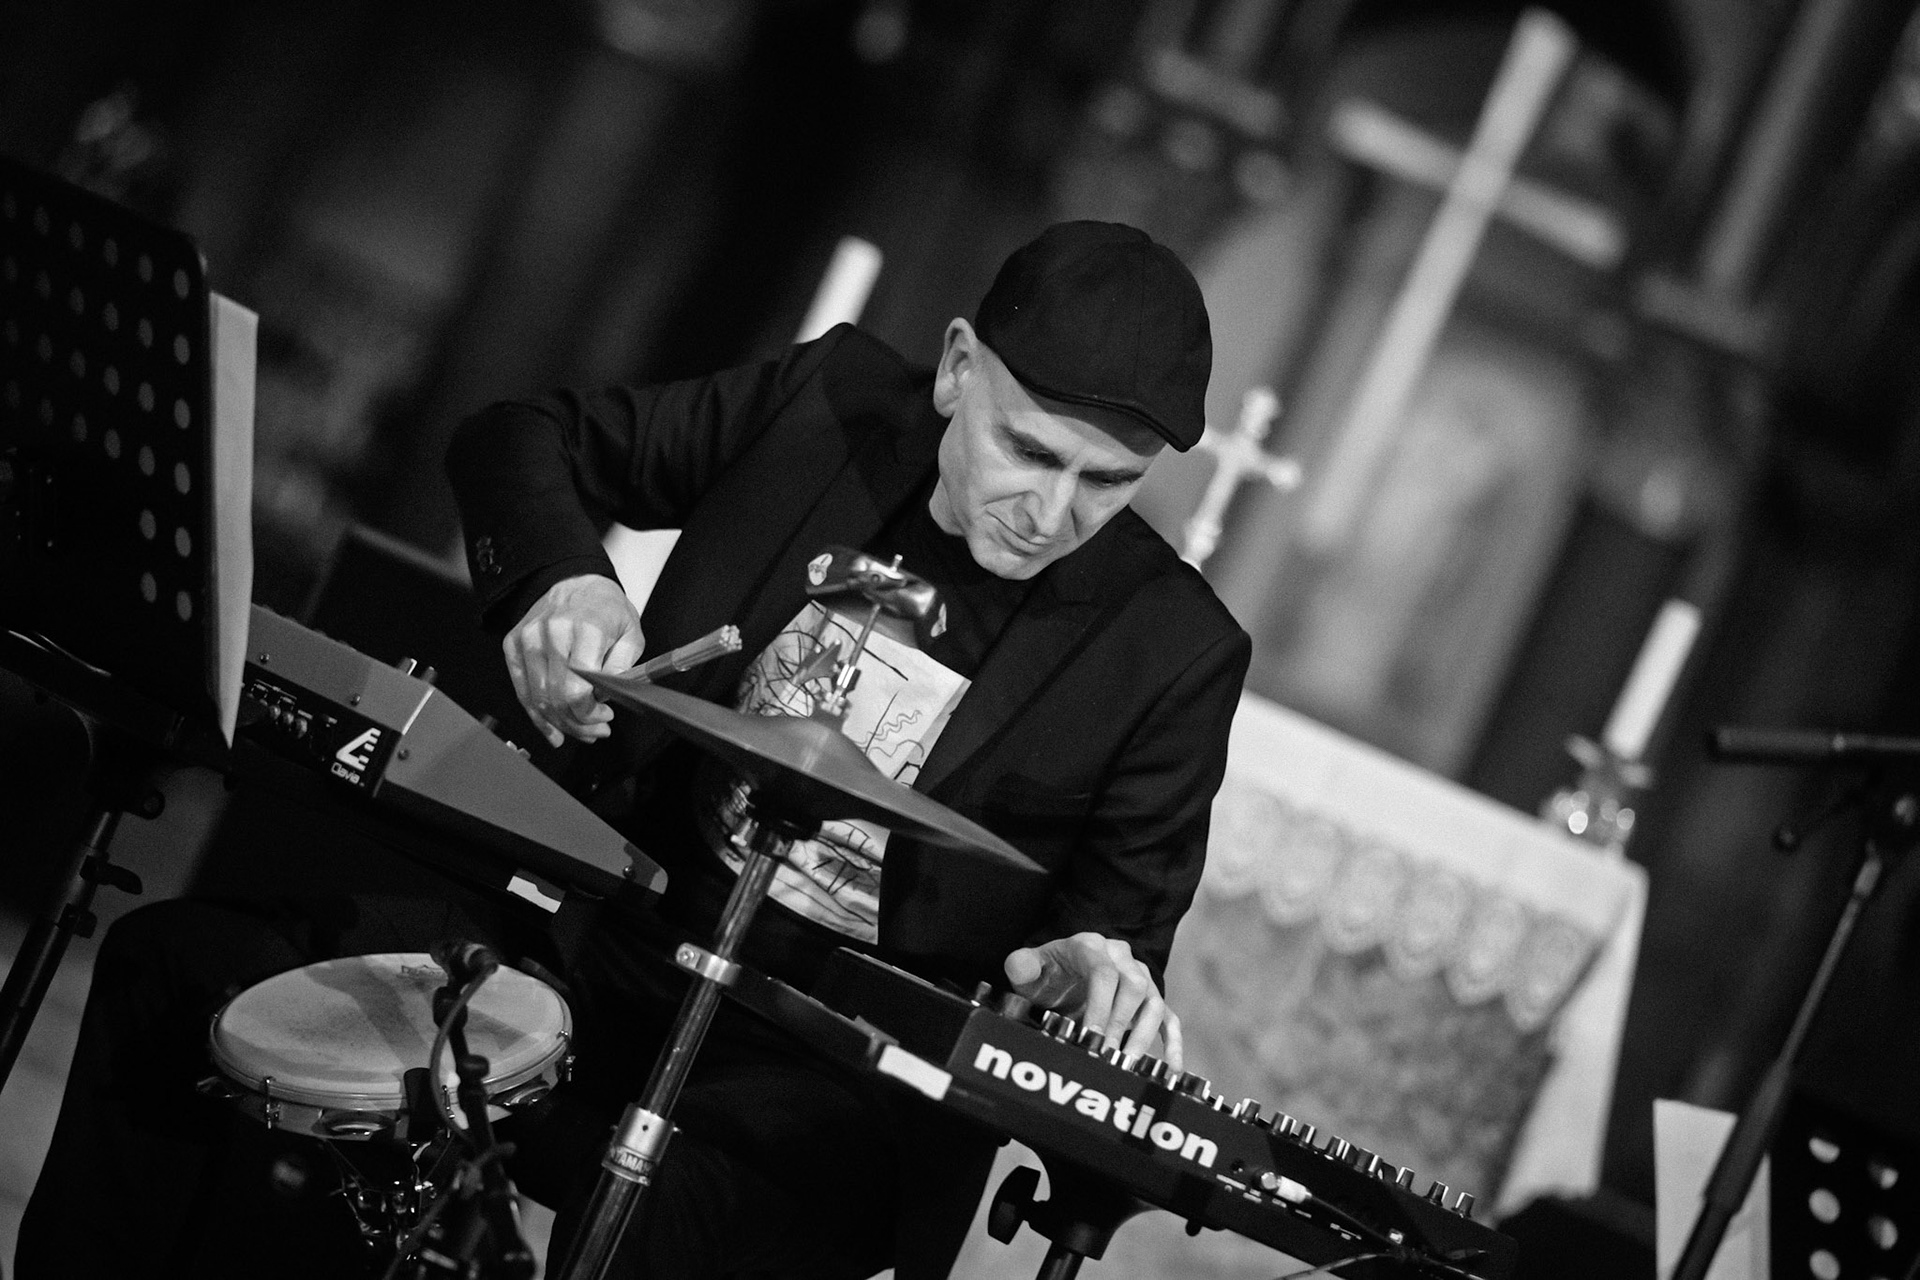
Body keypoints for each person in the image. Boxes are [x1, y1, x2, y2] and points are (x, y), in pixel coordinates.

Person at [18, 220, 1247, 1280]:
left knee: (647, 1208)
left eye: (1109, 483)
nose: (1054, 512)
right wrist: (564, 584)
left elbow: (1109, 944)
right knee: (178, 970)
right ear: (959, 371)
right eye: (1031, 451)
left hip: (822, 1077)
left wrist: (1089, 978)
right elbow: (518, 437)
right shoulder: (818, 410)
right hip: (601, 945)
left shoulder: (1174, 652)